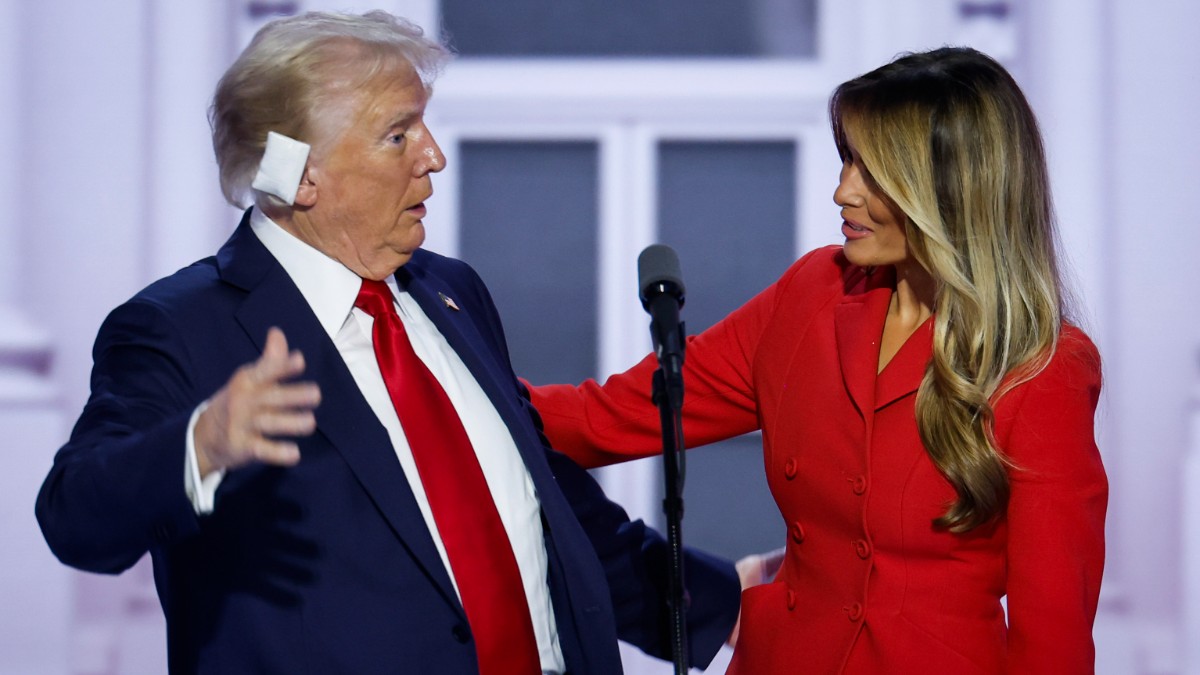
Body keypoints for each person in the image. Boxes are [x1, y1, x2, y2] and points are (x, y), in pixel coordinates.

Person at [34, 11, 740, 675]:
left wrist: (725, 602)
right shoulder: (180, 328)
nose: (433, 156)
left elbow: (545, 508)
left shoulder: (452, 292)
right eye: (398, 134)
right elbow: (74, 516)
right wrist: (201, 443)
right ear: (300, 173)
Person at [528, 47, 1107, 674]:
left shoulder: (1044, 368)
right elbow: (605, 417)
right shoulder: (811, 295)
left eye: (872, 171)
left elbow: (1054, 636)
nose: (842, 191)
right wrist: (447, 384)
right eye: (846, 160)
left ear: (952, 190)